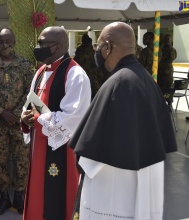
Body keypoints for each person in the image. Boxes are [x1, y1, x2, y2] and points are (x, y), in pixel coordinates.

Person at [69, 22, 177, 220]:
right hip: (144, 185)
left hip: (116, 193)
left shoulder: (118, 83)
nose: (96, 52)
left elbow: (90, 156)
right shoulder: (144, 78)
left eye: (98, 47)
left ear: (108, 48)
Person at [20, 26, 91, 220]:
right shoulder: (41, 70)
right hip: (39, 144)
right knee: (38, 192)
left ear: (58, 46)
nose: (38, 47)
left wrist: (36, 120)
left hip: (62, 149)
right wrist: (25, 118)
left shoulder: (76, 74)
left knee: (56, 197)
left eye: (42, 43)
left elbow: (73, 117)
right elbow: (32, 102)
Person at [0, 28, 33, 216]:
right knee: (0, 162)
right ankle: (3, 197)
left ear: (14, 42)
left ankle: (19, 196)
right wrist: (1, 112)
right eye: (1, 42)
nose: (5, 45)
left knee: (21, 160)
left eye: (8, 41)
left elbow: (31, 92)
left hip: (20, 123)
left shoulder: (25, 65)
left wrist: (16, 113)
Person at [74, 34, 101, 99]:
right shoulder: (93, 52)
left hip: (84, 74)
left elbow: (75, 62)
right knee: (96, 93)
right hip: (91, 75)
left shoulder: (79, 51)